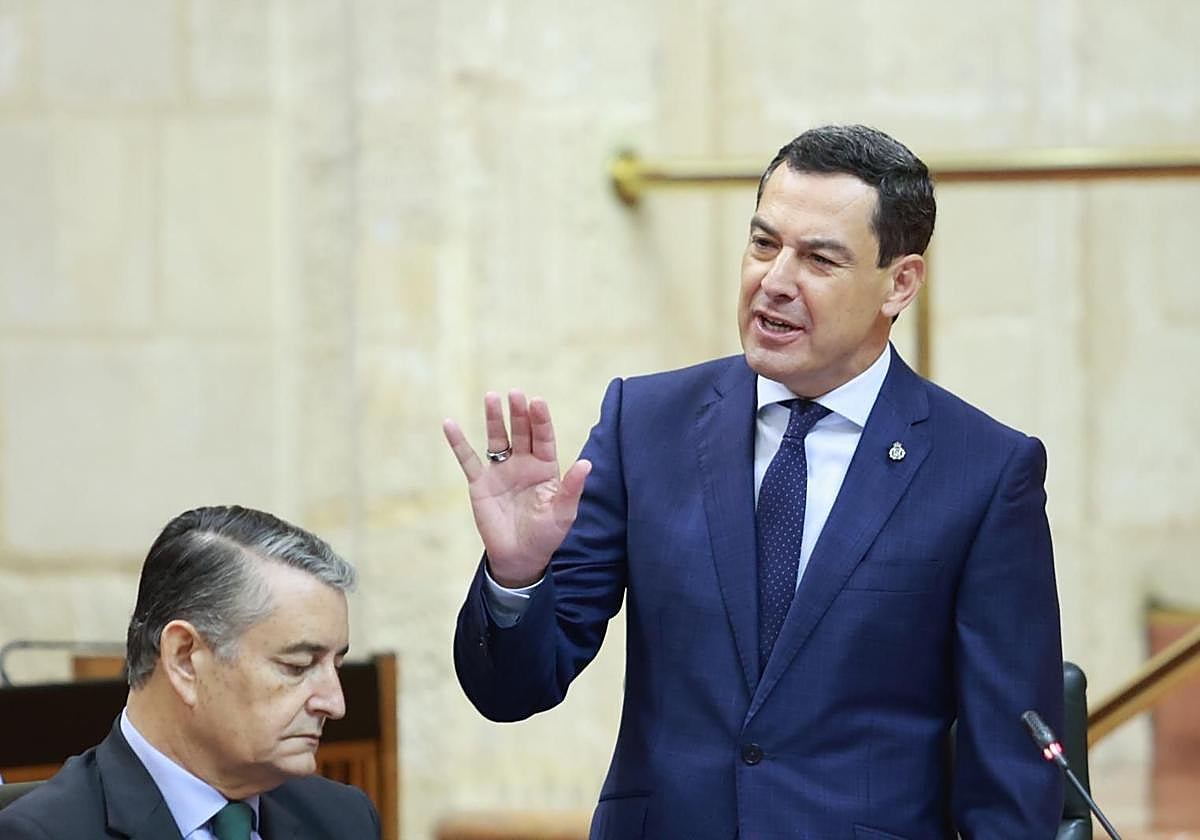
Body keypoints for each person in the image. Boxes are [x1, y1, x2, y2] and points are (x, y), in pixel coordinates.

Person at [445, 125, 1065, 838]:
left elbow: (1011, 780)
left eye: (818, 259)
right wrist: (517, 577)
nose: (774, 281)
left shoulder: (983, 472)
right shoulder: (644, 425)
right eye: (763, 243)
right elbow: (511, 691)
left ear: (900, 283)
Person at [0, 505, 380, 839]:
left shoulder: (343, 819)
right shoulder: (41, 833)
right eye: (297, 666)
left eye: (337, 665)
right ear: (184, 659)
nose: (335, 703)